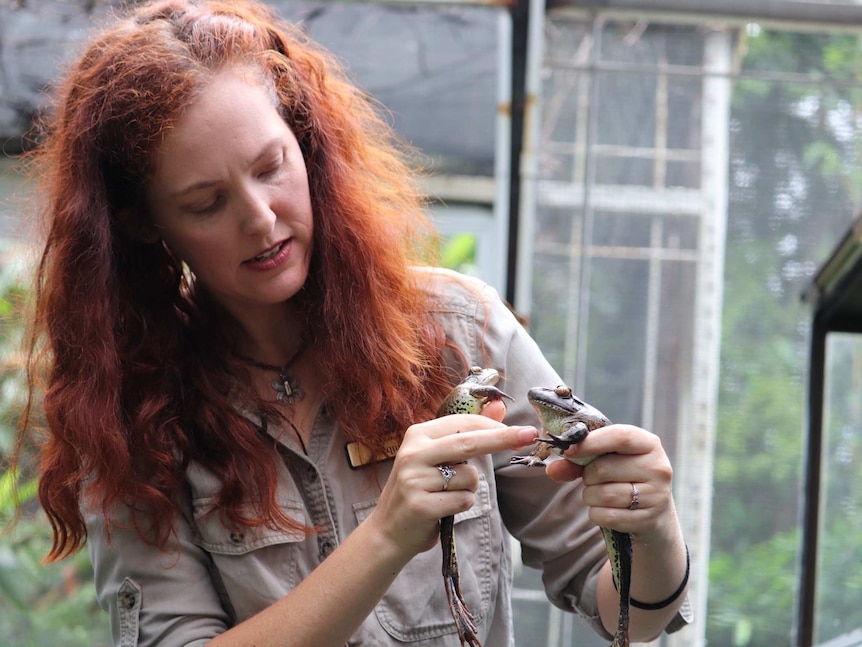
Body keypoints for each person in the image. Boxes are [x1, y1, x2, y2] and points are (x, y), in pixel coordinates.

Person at [13, 1, 692, 645]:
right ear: (141, 223)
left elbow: (625, 609)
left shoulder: (462, 336)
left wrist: (653, 527)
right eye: (206, 202)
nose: (260, 217)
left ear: (307, 145)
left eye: (270, 167)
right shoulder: (136, 420)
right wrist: (386, 535)